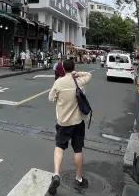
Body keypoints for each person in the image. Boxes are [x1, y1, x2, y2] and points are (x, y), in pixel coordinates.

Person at [47, 59, 92, 194]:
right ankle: (78, 178)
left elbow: (51, 98)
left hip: (63, 122)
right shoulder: (79, 81)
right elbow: (89, 75)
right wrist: (77, 74)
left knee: (59, 146)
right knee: (77, 149)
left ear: (62, 69)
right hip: (78, 121)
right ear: (73, 68)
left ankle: (56, 174)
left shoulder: (58, 83)